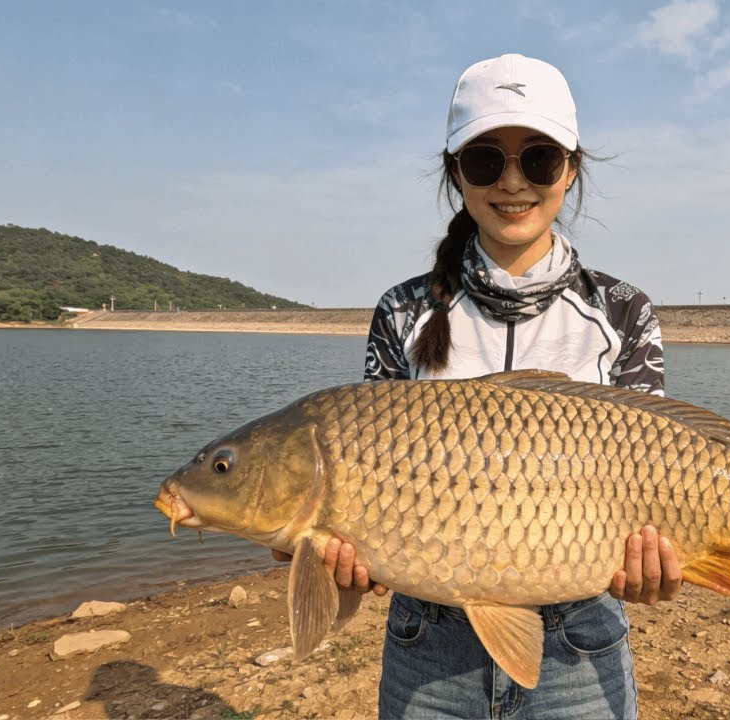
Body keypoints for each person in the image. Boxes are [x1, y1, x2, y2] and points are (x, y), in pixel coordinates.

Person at [277, 53, 682, 719]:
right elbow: (354, 526)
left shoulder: (622, 313)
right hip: (427, 652)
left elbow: (655, 495)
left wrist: (656, 567)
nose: (514, 182)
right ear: (456, 173)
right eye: (487, 160)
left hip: (580, 651)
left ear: (571, 168)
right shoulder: (402, 314)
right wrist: (342, 562)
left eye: (540, 159)